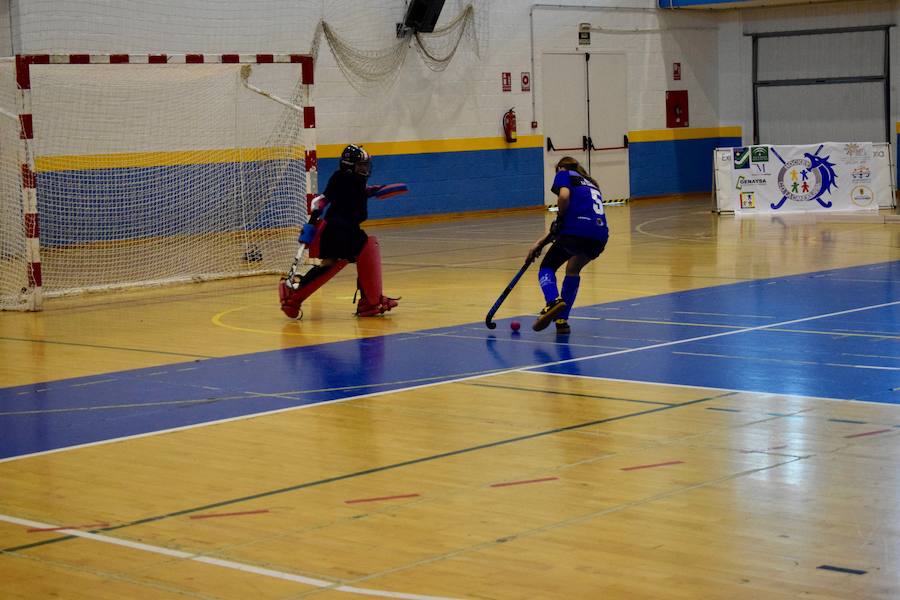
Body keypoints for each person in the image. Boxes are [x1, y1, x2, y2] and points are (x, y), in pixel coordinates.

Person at [279, 144, 399, 319]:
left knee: (331, 264)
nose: (364, 169)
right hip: (340, 229)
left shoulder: (352, 181)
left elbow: (356, 193)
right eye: (361, 166)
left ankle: (295, 296)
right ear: (348, 166)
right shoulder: (342, 178)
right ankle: (371, 301)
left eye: (366, 166)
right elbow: (321, 201)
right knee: (367, 247)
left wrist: (374, 191)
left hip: (342, 229)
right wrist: (310, 226)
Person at [527, 156, 609, 334]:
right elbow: (562, 227)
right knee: (572, 269)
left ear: (561, 168)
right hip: (599, 236)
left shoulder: (564, 173)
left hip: (577, 232)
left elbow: (563, 197)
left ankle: (553, 301)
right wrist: (540, 244)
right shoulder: (590, 183)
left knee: (547, 267)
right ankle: (562, 321)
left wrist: (561, 216)